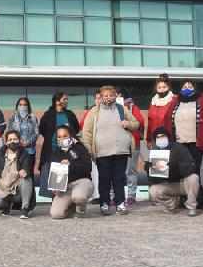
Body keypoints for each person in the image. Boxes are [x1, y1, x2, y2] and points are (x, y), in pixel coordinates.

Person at [80, 86, 139, 216]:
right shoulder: (94, 111)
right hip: (102, 152)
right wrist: (89, 149)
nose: (108, 98)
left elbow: (136, 123)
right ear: (100, 98)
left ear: (115, 96)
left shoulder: (122, 108)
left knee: (119, 178)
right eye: (105, 95)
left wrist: (129, 124)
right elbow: (87, 131)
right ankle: (104, 203)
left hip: (121, 150)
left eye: (111, 95)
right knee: (104, 178)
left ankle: (120, 203)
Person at [162, 79, 203, 208]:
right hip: (180, 143)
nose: (187, 88)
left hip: (197, 143)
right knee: (182, 172)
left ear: (195, 88)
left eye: (190, 86)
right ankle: (184, 198)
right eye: (184, 86)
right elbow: (166, 120)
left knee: (199, 171)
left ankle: (201, 200)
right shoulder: (175, 102)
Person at [146, 127, 201, 216]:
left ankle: (192, 207)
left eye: (162, 136)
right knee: (153, 190)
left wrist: (175, 166)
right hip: (168, 185)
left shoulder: (179, 148)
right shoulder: (155, 153)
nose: (160, 138)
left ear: (168, 137)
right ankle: (171, 205)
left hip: (182, 183)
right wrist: (150, 169)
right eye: (158, 137)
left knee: (194, 178)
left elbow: (191, 166)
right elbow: (153, 181)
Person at [38, 92, 80, 200]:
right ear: (57, 102)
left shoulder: (69, 114)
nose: (66, 101)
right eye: (64, 99)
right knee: (53, 177)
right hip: (52, 150)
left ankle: (68, 200)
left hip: (68, 151)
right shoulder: (48, 114)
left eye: (67, 99)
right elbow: (42, 128)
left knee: (67, 175)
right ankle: (55, 201)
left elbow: (76, 128)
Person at [0, 130, 34, 218]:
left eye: (15, 139)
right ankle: (6, 205)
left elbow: (27, 166)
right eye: (10, 139)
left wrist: (24, 171)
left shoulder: (24, 153)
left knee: (27, 180)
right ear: (6, 142)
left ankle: (25, 208)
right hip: (2, 188)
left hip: (16, 189)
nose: (12, 141)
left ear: (19, 141)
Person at [49, 125, 94, 219]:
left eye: (65, 136)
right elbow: (53, 172)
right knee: (56, 214)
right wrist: (55, 186)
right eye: (59, 137)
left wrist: (71, 164)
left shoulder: (80, 148)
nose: (62, 139)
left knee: (79, 196)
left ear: (71, 135)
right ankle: (72, 207)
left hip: (82, 182)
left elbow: (87, 168)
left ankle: (81, 208)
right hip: (65, 187)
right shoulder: (55, 153)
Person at [115, 86, 146, 209]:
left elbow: (140, 122)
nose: (115, 97)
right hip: (116, 143)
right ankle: (115, 197)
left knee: (130, 171)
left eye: (116, 94)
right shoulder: (109, 108)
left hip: (132, 144)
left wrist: (126, 117)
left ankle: (131, 196)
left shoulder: (132, 106)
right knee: (115, 171)